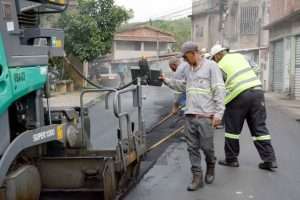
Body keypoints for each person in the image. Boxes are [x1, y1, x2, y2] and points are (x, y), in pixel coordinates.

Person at [160, 42, 225, 191]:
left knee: (207, 147)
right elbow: (183, 86)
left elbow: (219, 89)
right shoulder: (189, 70)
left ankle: (210, 164)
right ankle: (197, 177)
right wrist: (167, 81)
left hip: (206, 116)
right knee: (192, 148)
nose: (184, 60)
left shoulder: (211, 67)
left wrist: (219, 113)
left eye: (186, 57)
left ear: (194, 53)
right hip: (190, 115)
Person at [210, 44, 277, 170]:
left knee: (232, 130)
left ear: (218, 55)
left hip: (238, 96)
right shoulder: (240, 56)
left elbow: (219, 85)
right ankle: (270, 160)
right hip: (257, 92)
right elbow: (256, 69)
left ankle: (231, 159)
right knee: (259, 128)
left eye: (214, 58)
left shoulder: (219, 65)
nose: (214, 60)